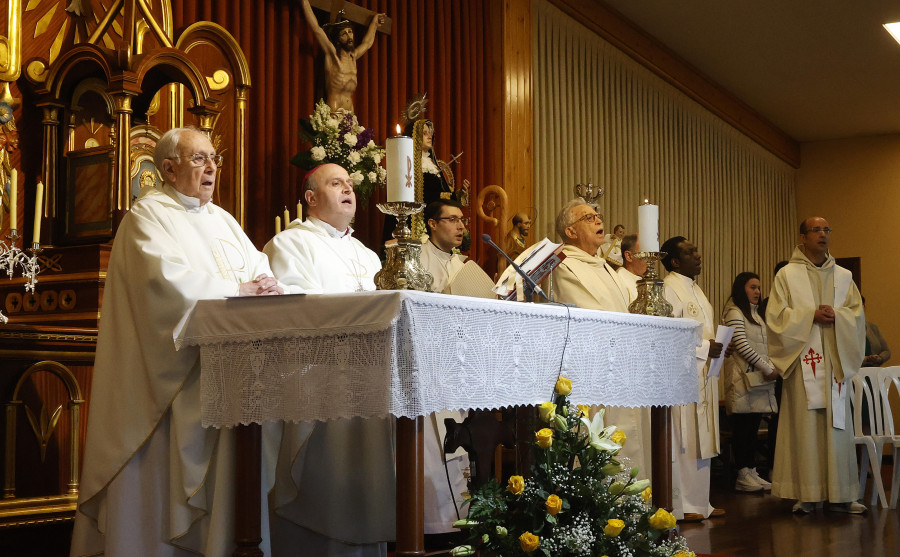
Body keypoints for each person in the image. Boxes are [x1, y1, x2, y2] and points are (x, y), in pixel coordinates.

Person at [70, 127, 284, 557]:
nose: (211, 168)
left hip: (228, 376)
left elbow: (257, 266)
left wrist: (265, 282)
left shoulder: (222, 219)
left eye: (214, 159)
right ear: (167, 168)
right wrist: (236, 291)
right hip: (170, 389)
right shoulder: (146, 216)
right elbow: (164, 285)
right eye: (198, 159)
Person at [263, 163, 394, 556]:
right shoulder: (289, 244)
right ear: (310, 198)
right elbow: (295, 311)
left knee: (366, 488)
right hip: (320, 386)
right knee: (324, 496)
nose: (348, 190)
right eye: (336, 183)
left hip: (370, 386)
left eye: (351, 184)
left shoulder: (368, 254)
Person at [767, 217, 866, 514]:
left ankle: (843, 494)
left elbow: (857, 315)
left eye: (826, 230)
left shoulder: (844, 276)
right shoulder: (787, 275)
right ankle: (807, 494)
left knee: (838, 428)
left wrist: (838, 315)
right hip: (803, 363)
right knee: (806, 429)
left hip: (835, 362)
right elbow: (776, 317)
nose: (823, 234)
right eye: (816, 230)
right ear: (802, 236)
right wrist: (810, 315)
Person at [552, 200, 649, 476]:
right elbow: (583, 311)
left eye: (598, 216)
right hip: (592, 369)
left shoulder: (606, 267)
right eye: (589, 217)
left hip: (622, 366)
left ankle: (631, 511)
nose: (598, 221)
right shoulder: (564, 264)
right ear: (570, 231)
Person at [661, 235, 725, 522]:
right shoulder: (668, 288)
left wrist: (719, 347)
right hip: (684, 376)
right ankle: (683, 504)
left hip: (703, 375)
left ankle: (701, 502)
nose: (698, 255)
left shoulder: (695, 289)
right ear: (674, 261)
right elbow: (669, 335)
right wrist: (703, 348)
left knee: (703, 439)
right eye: (690, 252)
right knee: (685, 440)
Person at [722, 272, 778, 493]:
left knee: (753, 426)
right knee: (743, 428)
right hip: (743, 378)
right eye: (752, 287)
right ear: (741, 289)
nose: (757, 292)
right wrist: (767, 367)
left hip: (757, 379)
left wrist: (771, 364)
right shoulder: (735, 311)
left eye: (758, 288)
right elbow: (742, 345)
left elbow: (765, 345)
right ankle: (742, 473)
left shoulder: (756, 314)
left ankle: (752, 469)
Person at [300, 0, 386, 112]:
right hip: (335, 105)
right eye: (344, 34)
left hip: (350, 107)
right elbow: (316, 29)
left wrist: (374, 23)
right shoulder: (332, 55)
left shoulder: (353, 56)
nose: (349, 36)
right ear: (338, 39)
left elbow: (367, 43)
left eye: (350, 32)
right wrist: (305, 2)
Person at [421, 199, 467, 293]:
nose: (461, 226)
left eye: (461, 220)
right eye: (453, 220)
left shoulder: (460, 266)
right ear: (433, 224)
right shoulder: (417, 258)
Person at [616, 233, 648, 305]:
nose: (652, 260)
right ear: (629, 256)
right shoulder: (620, 279)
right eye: (645, 253)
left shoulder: (643, 279)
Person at [862, 297, 891, 367]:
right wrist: (866, 360)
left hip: (874, 373)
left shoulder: (873, 327)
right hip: (855, 375)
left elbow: (886, 351)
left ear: (864, 307)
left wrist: (879, 358)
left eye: (860, 305)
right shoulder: (845, 330)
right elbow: (845, 358)